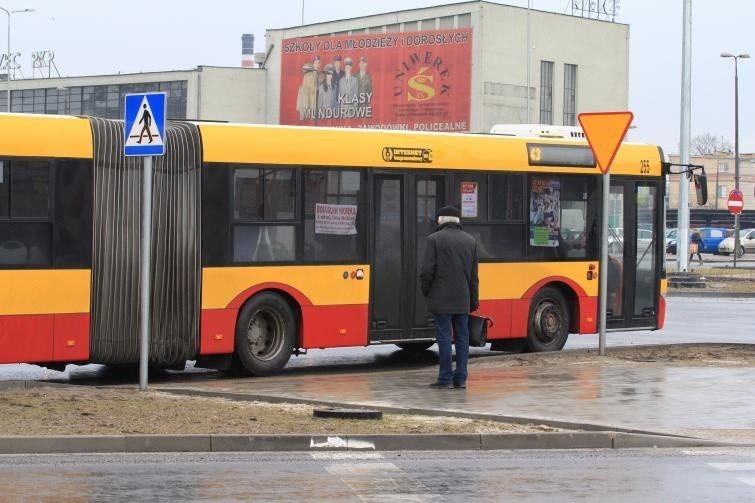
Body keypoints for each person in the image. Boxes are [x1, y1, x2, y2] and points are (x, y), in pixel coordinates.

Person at [419, 205, 479, 389]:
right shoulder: (470, 241)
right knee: (462, 338)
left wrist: (427, 291)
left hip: (441, 299)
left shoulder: (434, 239)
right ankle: (461, 378)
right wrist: (473, 301)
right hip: (463, 300)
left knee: (444, 338)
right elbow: (473, 277)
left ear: (441, 220)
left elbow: (426, 272)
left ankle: (445, 378)